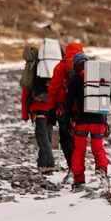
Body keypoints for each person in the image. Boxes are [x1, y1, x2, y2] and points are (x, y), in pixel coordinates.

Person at [65, 53, 110, 191]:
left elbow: (69, 102)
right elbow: (108, 97)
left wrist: (68, 119)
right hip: (98, 120)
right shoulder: (99, 77)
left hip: (81, 121)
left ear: (76, 66)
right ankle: (102, 171)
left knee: (79, 150)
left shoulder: (75, 79)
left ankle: (79, 180)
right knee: (98, 148)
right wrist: (105, 120)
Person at [47, 42, 84, 183]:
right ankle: (80, 170)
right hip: (82, 110)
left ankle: (72, 169)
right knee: (78, 139)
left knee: (65, 139)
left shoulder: (60, 66)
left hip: (63, 109)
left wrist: (50, 109)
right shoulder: (86, 65)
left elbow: (53, 89)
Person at [20, 46, 55, 174]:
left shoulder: (31, 72)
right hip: (51, 108)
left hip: (39, 109)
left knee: (42, 138)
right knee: (48, 136)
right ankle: (42, 164)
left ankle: (50, 163)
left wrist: (25, 114)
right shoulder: (51, 69)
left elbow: (25, 95)